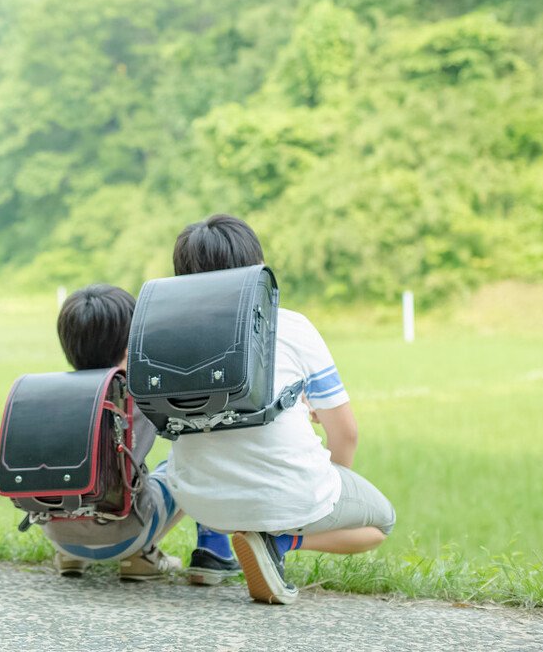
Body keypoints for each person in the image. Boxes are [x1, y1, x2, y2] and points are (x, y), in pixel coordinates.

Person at [164, 214, 396, 604]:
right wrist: (323, 492)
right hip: (288, 496)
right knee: (381, 522)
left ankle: (216, 543)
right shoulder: (290, 325)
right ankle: (281, 541)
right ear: (257, 268)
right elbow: (346, 433)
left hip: (198, 499)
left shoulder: (166, 334)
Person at [45, 283, 239, 584]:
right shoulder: (139, 393)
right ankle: (142, 555)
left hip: (58, 534)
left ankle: (71, 557)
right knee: (186, 465)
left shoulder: (50, 394)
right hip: (126, 535)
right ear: (130, 345)